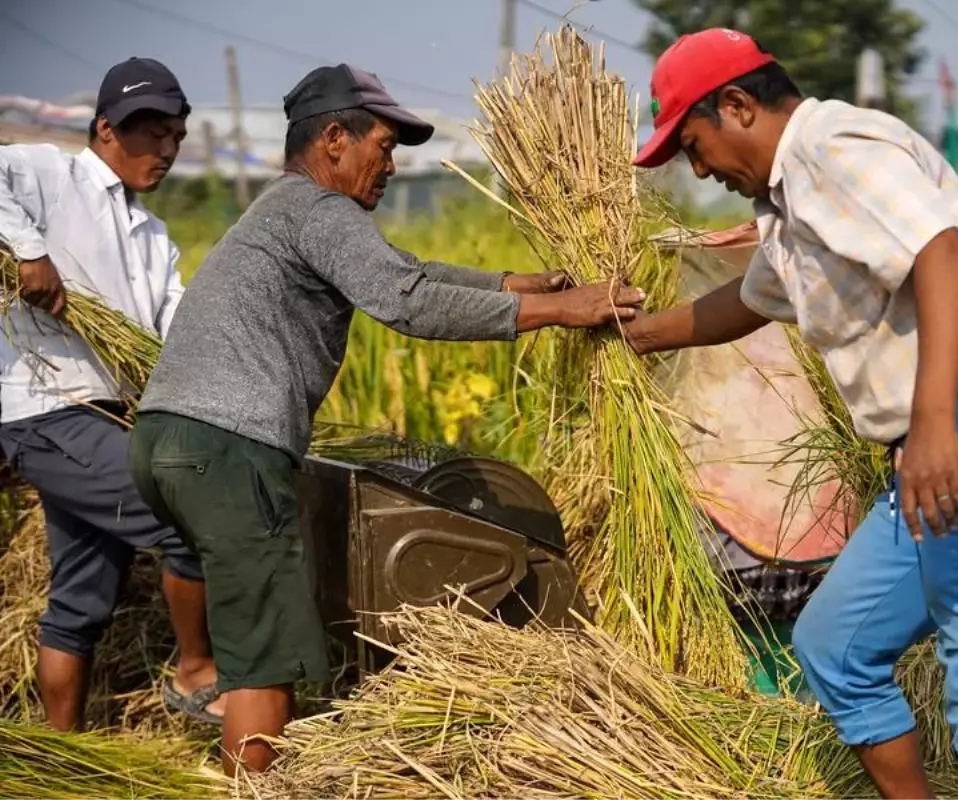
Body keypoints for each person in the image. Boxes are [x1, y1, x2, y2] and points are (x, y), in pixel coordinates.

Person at [621, 29, 958, 800]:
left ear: (739, 105)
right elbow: (745, 304)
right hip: (945, 441)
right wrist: (632, 335)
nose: (701, 170)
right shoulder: (788, 210)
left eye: (694, 144)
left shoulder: (830, 146)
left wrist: (936, 424)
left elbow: (944, 253)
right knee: (836, 645)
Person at [127, 63, 645, 776]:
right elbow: (406, 302)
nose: (392, 164)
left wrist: (517, 284)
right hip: (229, 448)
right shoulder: (321, 211)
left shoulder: (287, 211)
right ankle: (257, 790)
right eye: (384, 144)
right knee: (264, 655)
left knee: (245, 617)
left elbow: (404, 270)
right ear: (333, 138)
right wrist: (563, 311)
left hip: (165, 438)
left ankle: (210, 704)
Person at [0, 58, 224, 730]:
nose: (164, 149)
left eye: (175, 136)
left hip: (110, 418)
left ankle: (61, 757)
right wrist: (28, 250)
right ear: (105, 129)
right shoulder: (51, 174)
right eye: (149, 132)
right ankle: (195, 670)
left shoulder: (154, 236)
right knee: (190, 514)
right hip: (48, 411)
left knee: (80, 601)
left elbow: (173, 329)